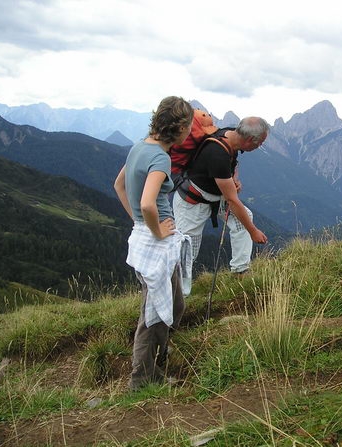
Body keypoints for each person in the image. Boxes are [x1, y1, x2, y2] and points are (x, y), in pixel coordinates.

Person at [114, 96, 194, 391]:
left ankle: (155, 367)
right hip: (155, 241)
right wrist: (157, 230)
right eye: (190, 127)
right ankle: (142, 381)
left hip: (143, 235)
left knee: (174, 304)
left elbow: (119, 185)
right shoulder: (160, 157)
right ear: (181, 127)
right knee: (153, 314)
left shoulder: (139, 147)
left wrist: (137, 221)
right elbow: (149, 203)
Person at [172, 116, 270, 276]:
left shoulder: (231, 135)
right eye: (259, 143)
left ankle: (241, 270)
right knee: (187, 250)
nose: (260, 146)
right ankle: (176, 294)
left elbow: (231, 166)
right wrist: (253, 231)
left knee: (244, 218)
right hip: (192, 203)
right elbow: (232, 199)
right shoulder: (217, 153)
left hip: (213, 197)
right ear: (250, 139)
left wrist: (233, 179)